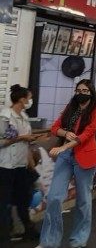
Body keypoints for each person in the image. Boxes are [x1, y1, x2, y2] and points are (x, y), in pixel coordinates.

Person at [40, 79, 96, 248]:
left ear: (91, 93)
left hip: (84, 156)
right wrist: (65, 133)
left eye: (85, 91)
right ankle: (49, 242)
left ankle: (78, 240)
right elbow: (55, 127)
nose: (81, 94)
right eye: (78, 90)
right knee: (54, 197)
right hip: (66, 156)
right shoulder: (71, 107)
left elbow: (87, 134)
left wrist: (64, 146)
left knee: (83, 201)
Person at [0, 85, 39, 243]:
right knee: (4, 204)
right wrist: (22, 138)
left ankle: (28, 231)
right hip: (6, 167)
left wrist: (32, 165)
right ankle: (4, 238)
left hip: (21, 166)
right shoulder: (5, 116)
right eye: (29, 98)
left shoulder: (23, 116)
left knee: (23, 200)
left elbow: (27, 145)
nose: (30, 101)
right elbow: (2, 141)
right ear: (22, 100)